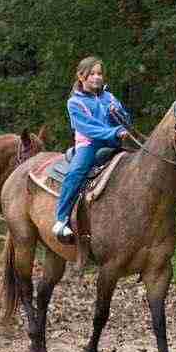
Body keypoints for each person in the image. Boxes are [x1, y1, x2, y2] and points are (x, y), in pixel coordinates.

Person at [53, 56, 130, 244]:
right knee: (76, 172)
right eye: (92, 74)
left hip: (113, 140)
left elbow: (126, 119)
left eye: (99, 74)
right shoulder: (75, 102)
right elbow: (90, 128)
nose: (97, 77)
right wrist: (115, 132)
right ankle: (61, 219)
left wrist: (119, 115)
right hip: (90, 144)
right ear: (81, 76)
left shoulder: (108, 97)